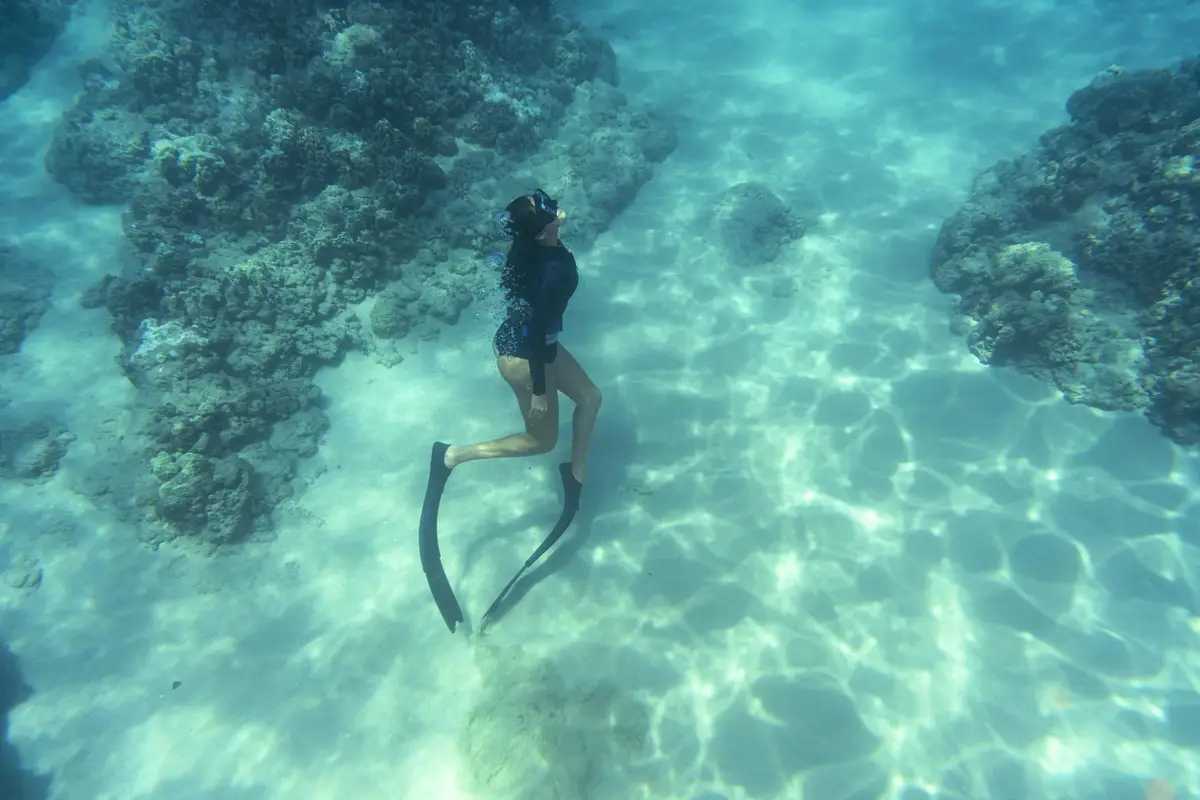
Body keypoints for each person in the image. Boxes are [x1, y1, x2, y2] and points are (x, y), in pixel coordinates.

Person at [418, 189, 603, 633]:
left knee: (591, 399)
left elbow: (537, 322)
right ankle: (452, 455)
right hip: (526, 357)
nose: (559, 209)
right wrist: (540, 390)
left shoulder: (535, 246)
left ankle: (574, 476)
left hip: (531, 340)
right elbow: (540, 333)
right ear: (542, 233)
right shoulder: (552, 270)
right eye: (549, 212)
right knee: (541, 441)